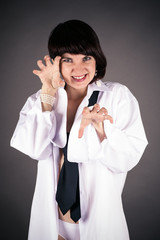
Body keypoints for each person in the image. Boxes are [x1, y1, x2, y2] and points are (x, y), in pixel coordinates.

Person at [10, 19, 148, 240]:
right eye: (67, 60)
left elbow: (127, 159)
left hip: (99, 220)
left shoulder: (117, 97)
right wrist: (48, 93)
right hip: (52, 222)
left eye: (86, 57)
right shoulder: (42, 99)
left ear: (97, 59)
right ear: (56, 63)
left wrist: (102, 129)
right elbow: (34, 148)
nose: (79, 68)